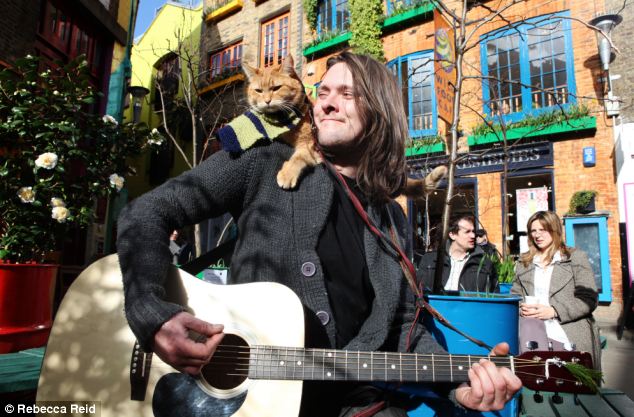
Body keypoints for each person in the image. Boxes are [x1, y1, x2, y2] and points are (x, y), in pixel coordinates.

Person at [117, 52, 521, 416]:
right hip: (254, 403)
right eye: (323, 90)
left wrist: (459, 385)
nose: (325, 102)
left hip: (361, 404)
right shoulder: (263, 160)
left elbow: (402, 328)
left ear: (380, 110)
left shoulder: (392, 219)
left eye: (346, 94)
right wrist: (152, 314)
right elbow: (146, 212)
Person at [511, 210, 601, 368]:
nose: (537, 235)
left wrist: (554, 311)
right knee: (534, 377)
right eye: (533, 230)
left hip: (567, 329)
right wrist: (521, 308)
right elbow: (515, 295)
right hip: (531, 330)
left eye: (543, 229)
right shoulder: (524, 261)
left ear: (555, 230)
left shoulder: (575, 257)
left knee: (570, 384)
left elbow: (589, 298)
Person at [417, 215, 499, 293]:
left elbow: (494, 296)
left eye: (473, 231)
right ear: (452, 235)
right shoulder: (431, 259)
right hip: (433, 306)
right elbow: (418, 291)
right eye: (467, 232)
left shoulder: (485, 264)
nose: (473, 235)